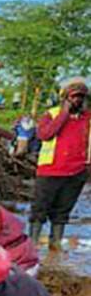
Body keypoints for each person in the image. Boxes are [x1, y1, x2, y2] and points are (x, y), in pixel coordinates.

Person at [29, 77, 90, 249]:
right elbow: (44, 135)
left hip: (76, 172)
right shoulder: (52, 114)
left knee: (63, 212)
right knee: (39, 209)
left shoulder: (88, 118)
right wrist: (64, 114)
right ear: (65, 98)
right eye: (73, 97)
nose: (77, 100)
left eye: (81, 97)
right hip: (50, 171)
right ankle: (32, 245)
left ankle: (55, 245)